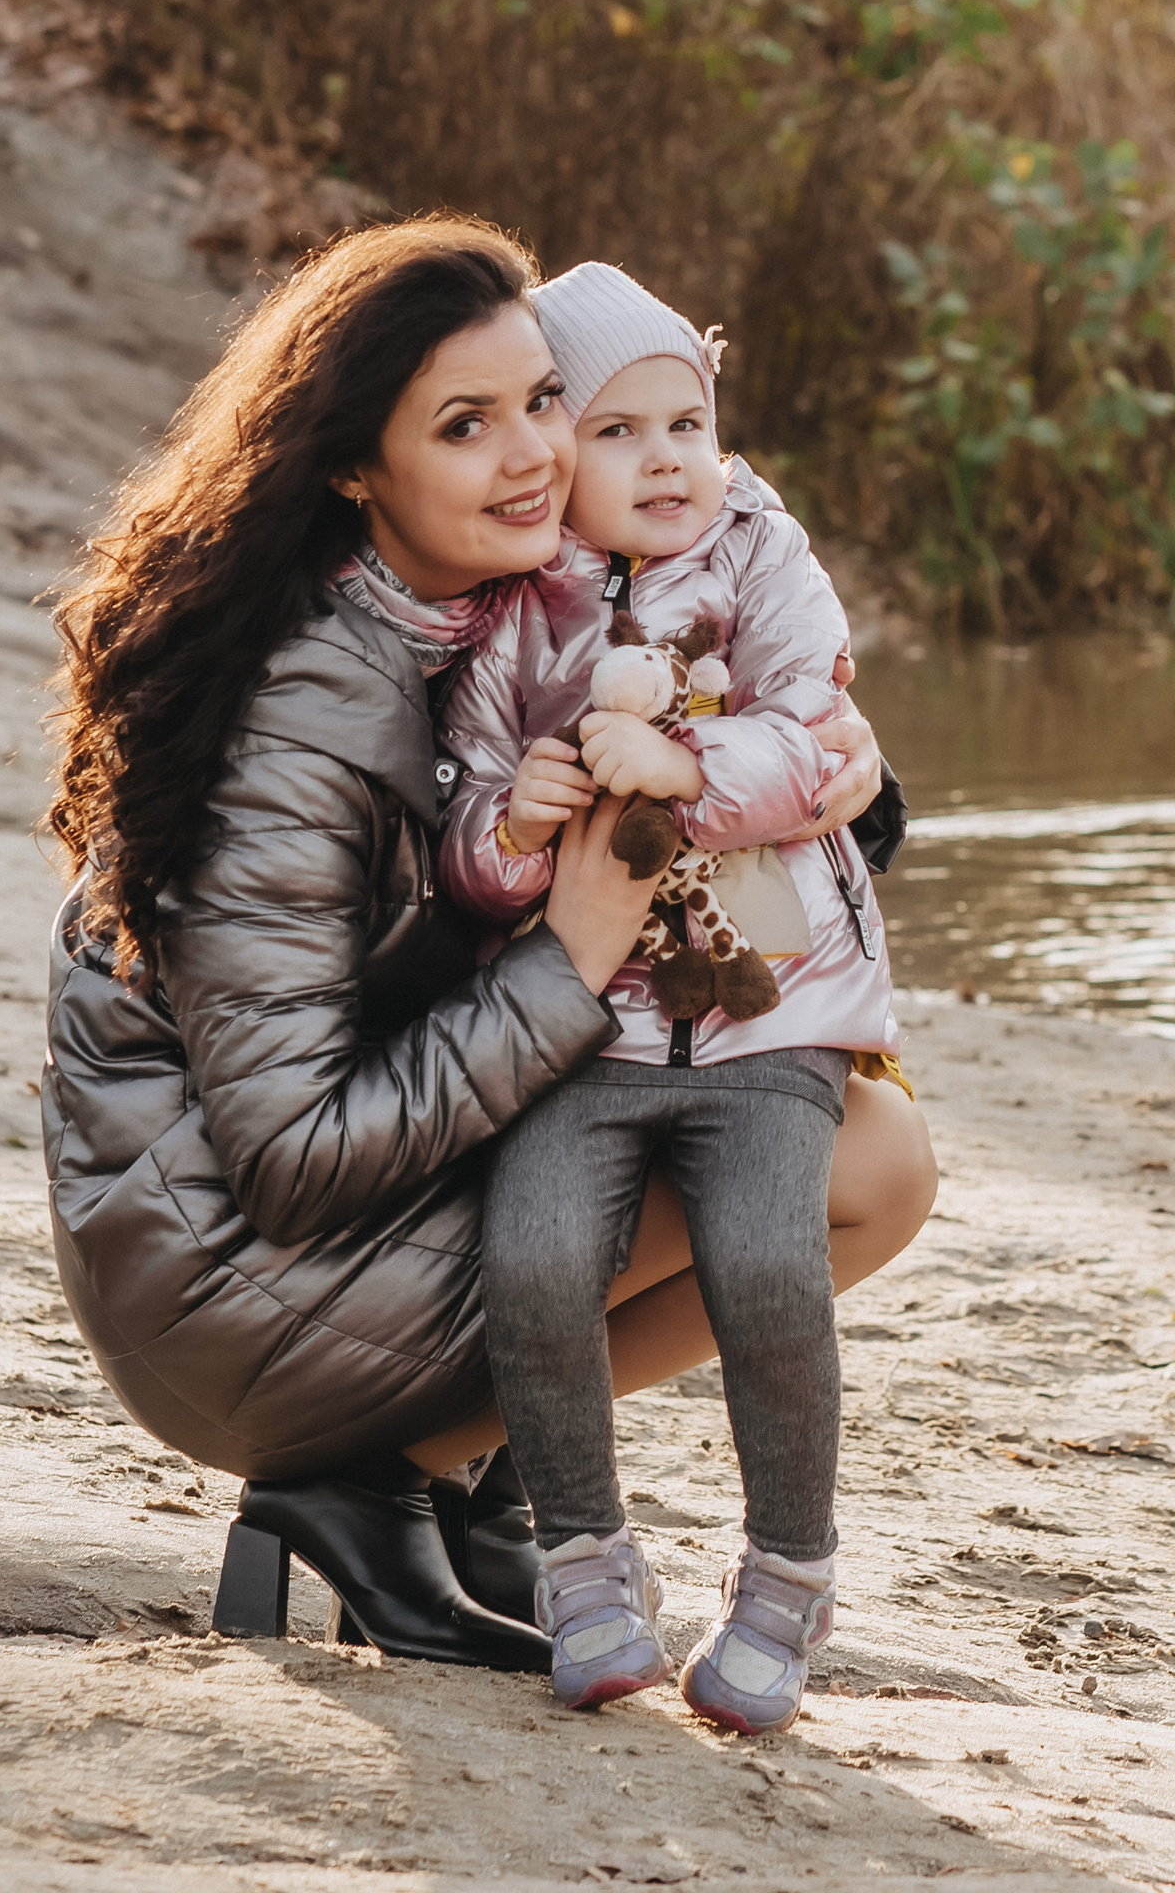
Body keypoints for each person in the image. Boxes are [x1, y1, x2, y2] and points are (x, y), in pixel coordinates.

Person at [40, 217, 936, 1672]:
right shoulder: (296, 720)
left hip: (343, 1219)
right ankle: (371, 1478)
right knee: (860, 1170)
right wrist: (570, 958)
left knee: (829, 1122)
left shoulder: (500, 606)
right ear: (350, 464)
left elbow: (702, 769)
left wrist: (850, 780)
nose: (531, 454)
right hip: (227, 1277)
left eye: (541, 404)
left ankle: (467, 1475)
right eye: (467, 426)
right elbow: (293, 1150)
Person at [439, 264, 893, 1725]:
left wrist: (690, 777)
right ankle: (582, 1560)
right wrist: (512, 826)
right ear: (558, 456)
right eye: (621, 434)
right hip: (591, 1031)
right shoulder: (518, 610)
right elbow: (471, 838)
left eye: (686, 423)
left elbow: (821, 733)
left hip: (776, 1012)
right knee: (533, 1257)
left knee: (767, 1257)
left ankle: (788, 1578)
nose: (668, 461)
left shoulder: (762, 548)